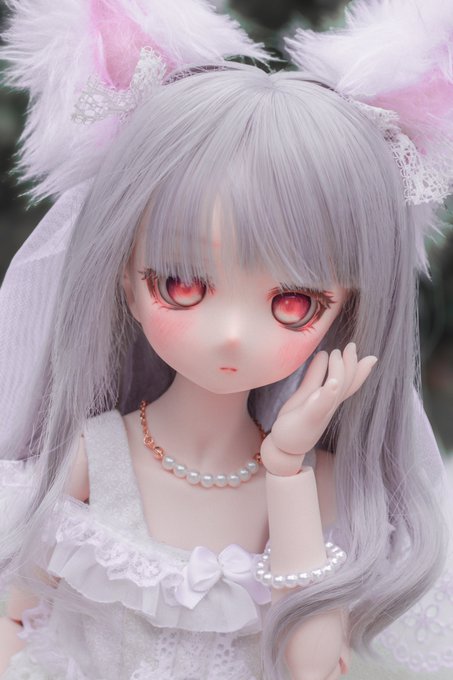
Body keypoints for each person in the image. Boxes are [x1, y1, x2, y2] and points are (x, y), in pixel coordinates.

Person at [0, 1, 452, 678]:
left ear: (346, 311)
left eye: (293, 302)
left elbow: (312, 668)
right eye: (183, 283)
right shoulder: (96, 457)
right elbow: (16, 617)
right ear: (127, 281)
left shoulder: (321, 485)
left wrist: (286, 467)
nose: (233, 335)